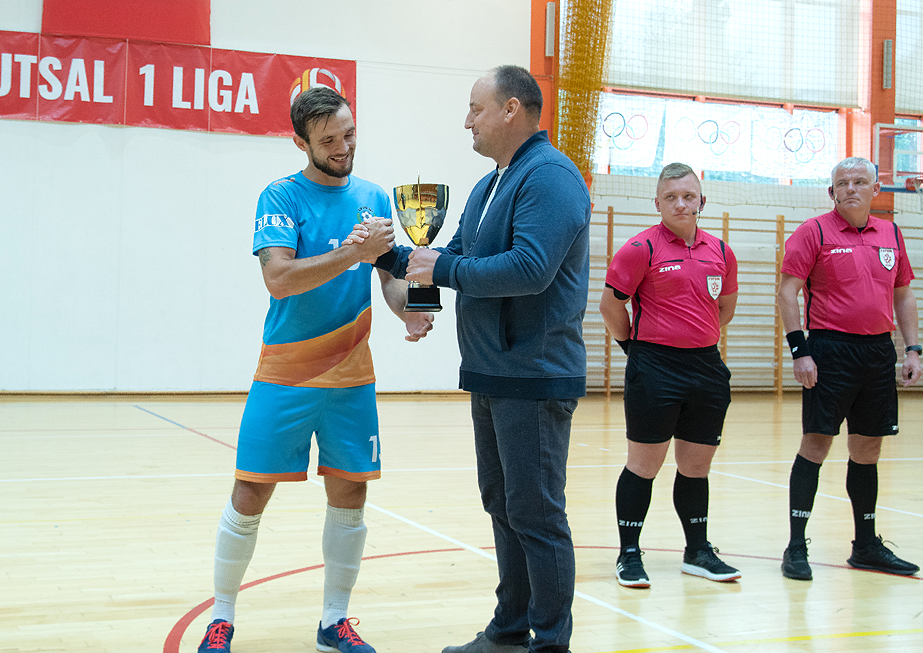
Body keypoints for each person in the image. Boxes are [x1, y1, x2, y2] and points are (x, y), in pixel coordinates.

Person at [196, 86, 434, 653]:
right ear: (300, 142)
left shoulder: (374, 198)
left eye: (349, 134)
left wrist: (410, 308)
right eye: (329, 140)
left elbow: (388, 279)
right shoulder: (280, 196)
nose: (343, 147)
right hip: (284, 375)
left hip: (352, 379)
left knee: (350, 496)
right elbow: (279, 278)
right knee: (249, 495)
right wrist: (352, 253)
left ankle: (334, 622)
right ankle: (221, 618)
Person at [370, 65, 591, 653]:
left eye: (475, 108)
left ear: (511, 110)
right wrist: (386, 256)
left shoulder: (550, 177)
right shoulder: (491, 183)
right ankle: (509, 631)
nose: (467, 121)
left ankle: (551, 643)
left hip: (535, 374)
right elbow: (451, 256)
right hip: (493, 371)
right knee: (504, 505)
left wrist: (442, 268)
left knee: (536, 514)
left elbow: (530, 269)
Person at [776, 156, 920, 581]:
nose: (851, 188)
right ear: (832, 192)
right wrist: (800, 351)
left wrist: (913, 350)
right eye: (843, 183)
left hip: (877, 353)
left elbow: (903, 295)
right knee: (816, 444)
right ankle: (796, 545)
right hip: (829, 351)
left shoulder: (891, 233)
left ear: (876, 190)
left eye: (859, 182)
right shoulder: (814, 232)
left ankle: (866, 545)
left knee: (868, 449)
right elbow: (787, 292)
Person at [599, 162, 741, 589]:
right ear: (657, 203)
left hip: (706, 368)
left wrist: (697, 335)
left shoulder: (722, 252)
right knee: (644, 465)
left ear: (702, 201)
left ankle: (697, 552)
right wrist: (635, 349)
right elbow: (610, 306)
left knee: (696, 466)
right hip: (654, 367)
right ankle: (629, 553)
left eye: (688, 196)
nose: (681, 204)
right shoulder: (639, 248)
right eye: (671, 197)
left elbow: (724, 308)